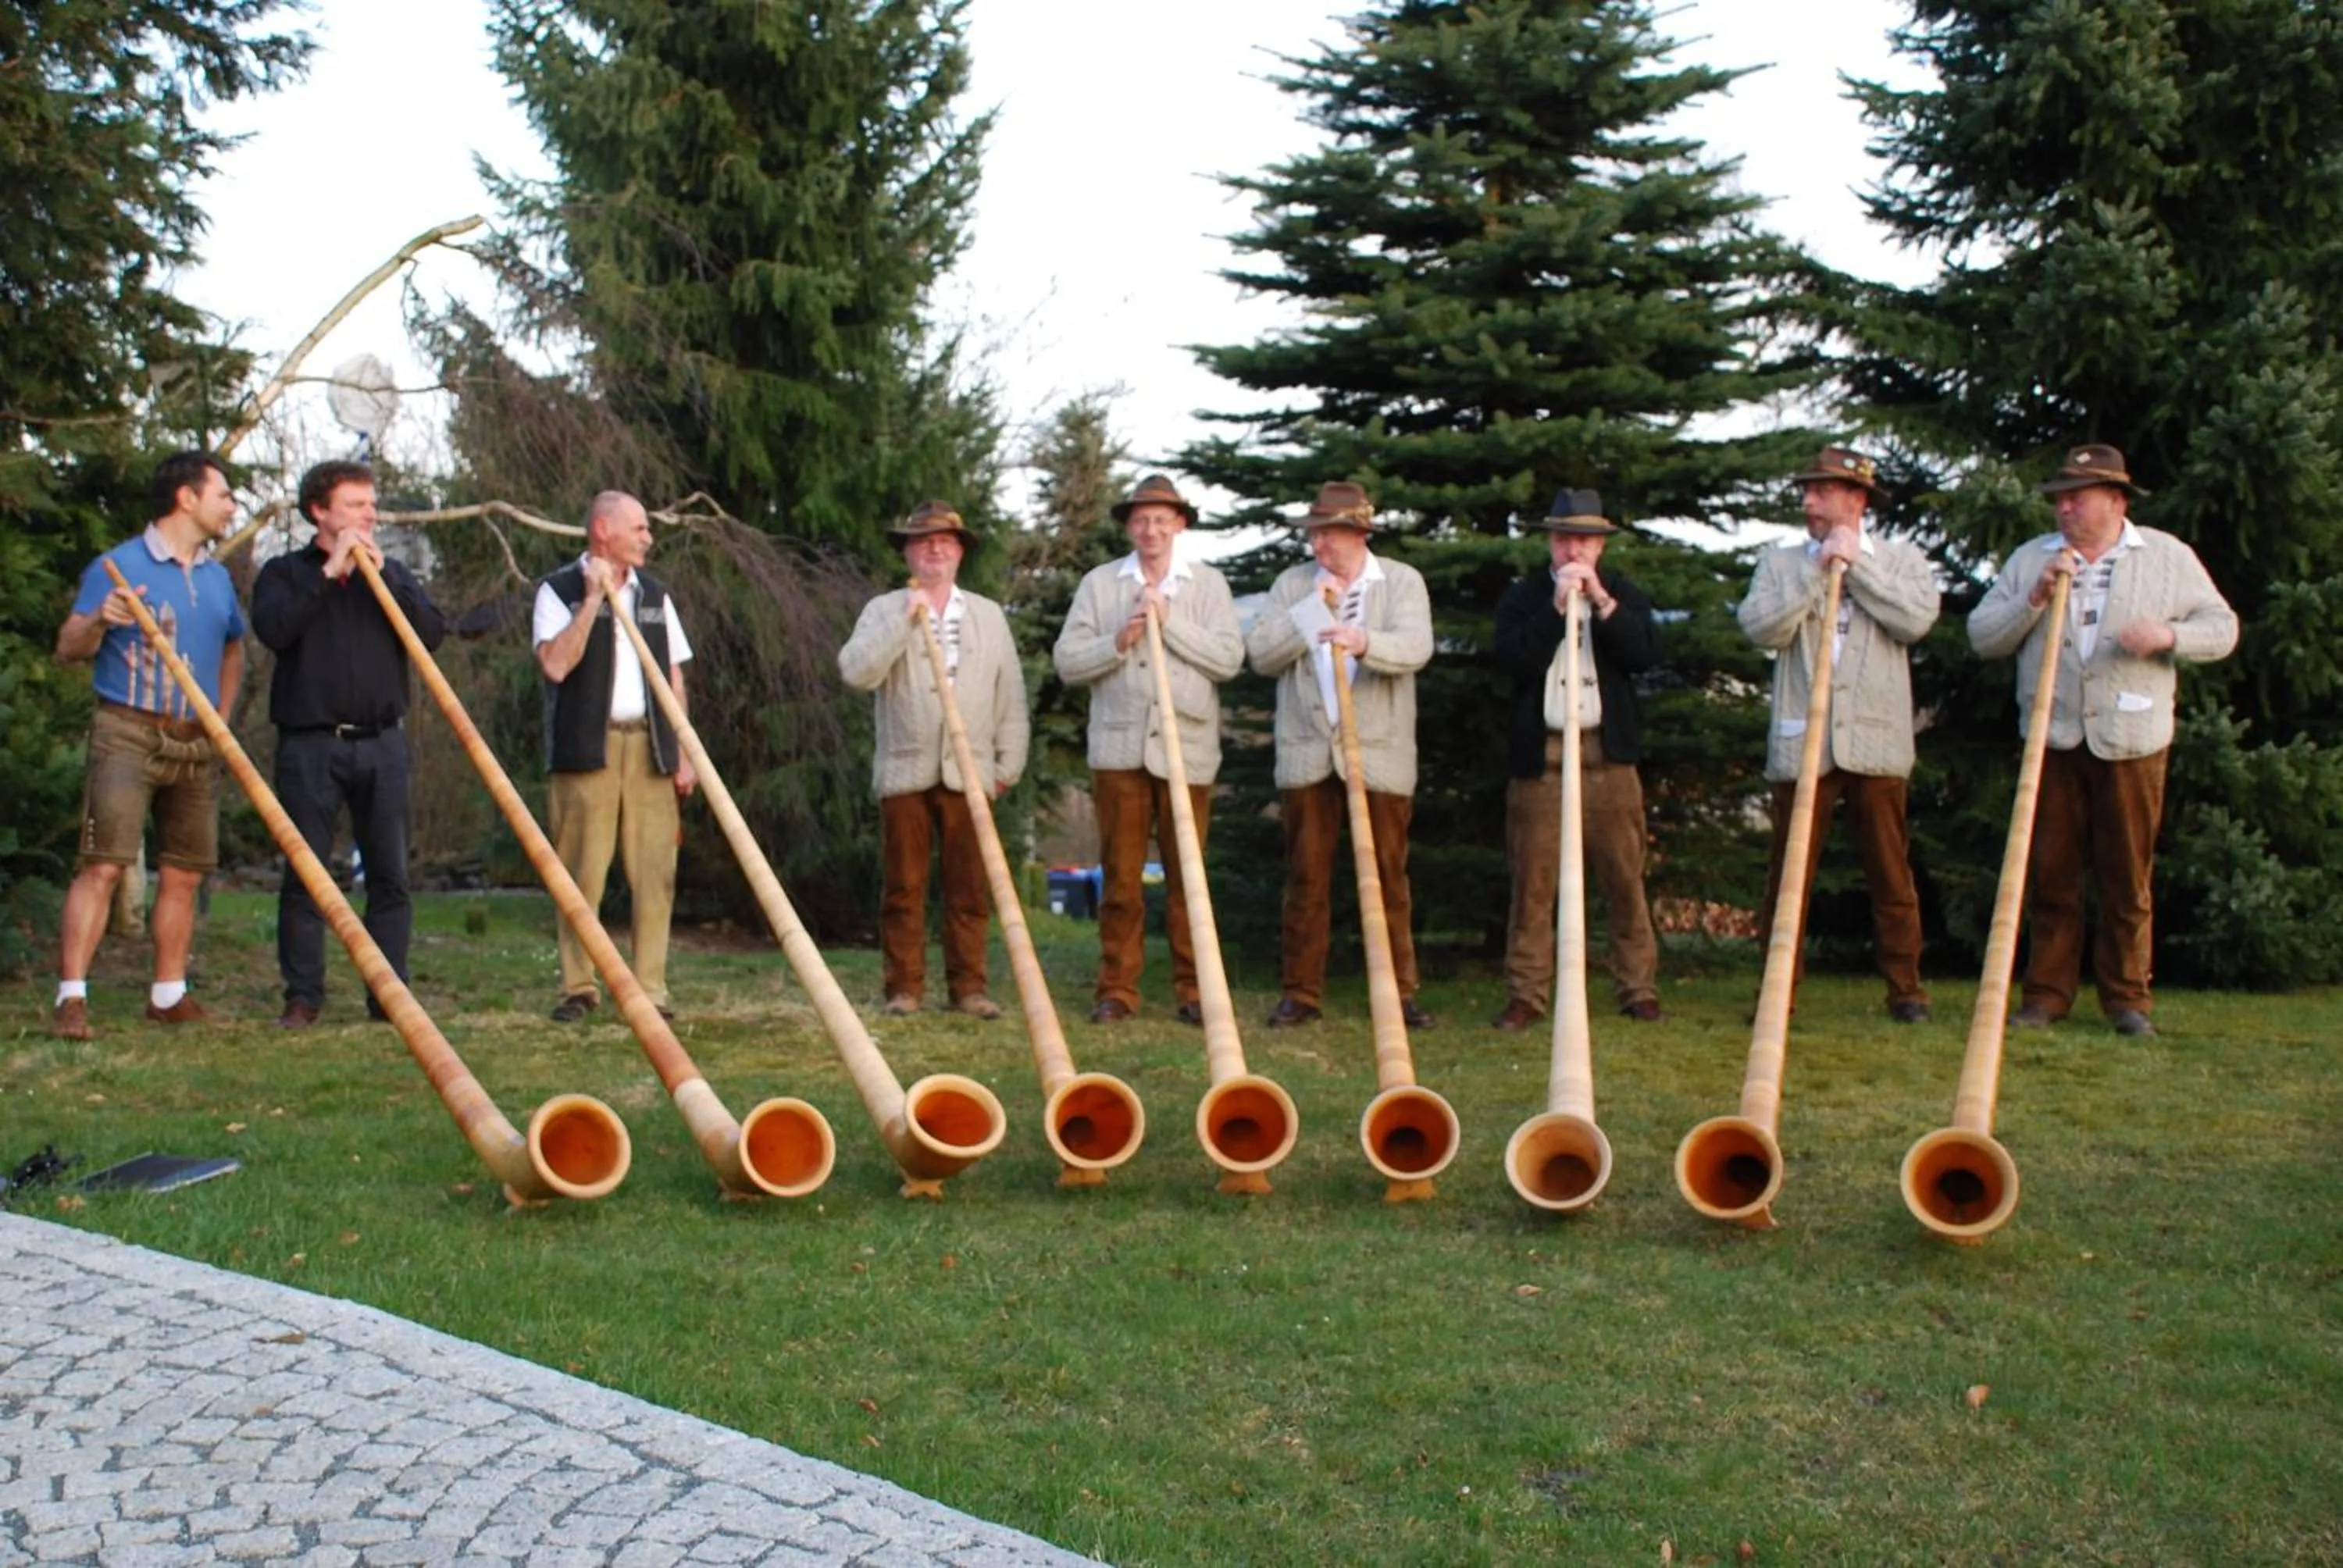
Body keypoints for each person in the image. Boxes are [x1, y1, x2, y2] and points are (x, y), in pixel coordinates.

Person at [1968, 444, 2237, 1038]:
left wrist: (2168, 634)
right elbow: (1983, 635)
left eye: (2077, 497)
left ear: (2116, 500)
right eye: (2059, 499)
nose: (2064, 508)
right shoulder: (2032, 560)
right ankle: (2045, 997)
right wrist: (2034, 598)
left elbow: (2222, 628)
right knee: (2051, 873)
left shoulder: (2166, 557)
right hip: (2052, 736)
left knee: (2126, 874)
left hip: (2133, 738)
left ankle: (2127, 1000)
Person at [1738, 446, 1942, 1023]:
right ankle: (1778, 990)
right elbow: (1759, 627)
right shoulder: (1782, 563)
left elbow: (1915, 620)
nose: (1808, 500)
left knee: (1889, 870)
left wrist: (1860, 567)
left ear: (1857, 499)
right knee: (1789, 873)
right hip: (1803, 742)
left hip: (1878, 741)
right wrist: (1815, 570)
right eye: (1806, 490)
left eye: (1821, 490)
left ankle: (1906, 989)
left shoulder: (1901, 560)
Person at [50, 451, 246, 1039]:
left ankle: (167, 994)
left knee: (184, 872)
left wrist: (223, 717)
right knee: (103, 864)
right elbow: (68, 648)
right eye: (223, 494)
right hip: (128, 732)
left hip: (195, 741)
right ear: (187, 498)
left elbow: (235, 646)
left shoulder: (216, 577)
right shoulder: (117, 566)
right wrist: (100, 619)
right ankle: (72, 999)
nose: (231, 505)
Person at [250, 461, 447, 1028]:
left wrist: (390, 582)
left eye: (371, 504)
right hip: (311, 746)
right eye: (357, 505)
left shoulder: (393, 572)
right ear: (320, 511)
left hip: (383, 744)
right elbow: (275, 631)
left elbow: (431, 635)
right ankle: (303, 995)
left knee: (390, 875)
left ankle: (388, 996)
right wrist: (329, 576)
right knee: (307, 874)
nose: (371, 515)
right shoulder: (284, 573)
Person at [1051, 474, 1245, 1024]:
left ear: (1180, 524)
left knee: (1189, 877)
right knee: (1120, 876)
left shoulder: (1207, 586)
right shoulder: (1100, 584)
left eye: (1162, 519)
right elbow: (1068, 661)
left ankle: (1195, 989)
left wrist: (1169, 619)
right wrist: (1120, 640)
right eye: (1141, 520)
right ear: (1129, 527)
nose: (1151, 529)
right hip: (1119, 754)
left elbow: (1229, 659)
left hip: (1189, 751)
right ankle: (1118, 988)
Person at [1243, 480, 1435, 1029]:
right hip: (1309, 753)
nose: (1319, 545)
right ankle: (1301, 993)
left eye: (1330, 535)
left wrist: (1365, 641)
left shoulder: (1399, 582)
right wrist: (1312, 611)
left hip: (1379, 755)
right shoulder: (1293, 585)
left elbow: (1417, 647)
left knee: (1388, 878)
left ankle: (1397, 993)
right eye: (1315, 535)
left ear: (1358, 534)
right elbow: (1261, 655)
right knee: (1306, 876)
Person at [838, 501, 1029, 1018]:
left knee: (969, 885)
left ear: (960, 552)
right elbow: (856, 672)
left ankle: (969, 989)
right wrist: (904, 621)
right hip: (905, 769)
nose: (935, 549)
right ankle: (905, 988)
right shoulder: (884, 609)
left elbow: (1009, 692)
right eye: (923, 542)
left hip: (971, 771)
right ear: (908, 552)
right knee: (905, 886)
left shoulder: (988, 614)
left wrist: (1007, 764)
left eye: (945, 541)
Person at [1490, 488, 1664, 1029]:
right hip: (1543, 756)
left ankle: (1637, 987)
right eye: (1565, 539)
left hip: (1607, 756)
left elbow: (1646, 654)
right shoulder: (1525, 596)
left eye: (1584, 540)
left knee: (1624, 877)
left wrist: (1603, 604)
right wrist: (1556, 609)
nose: (1574, 551)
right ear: (1551, 542)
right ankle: (1527, 993)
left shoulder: (1623, 593)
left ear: (1600, 547)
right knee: (1534, 883)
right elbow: (1513, 659)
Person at [533, 490, 697, 1023]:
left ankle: (650, 990)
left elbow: (673, 674)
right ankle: (578, 987)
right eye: (640, 528)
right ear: (603, 529)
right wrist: (592, 601)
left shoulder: (654, 594)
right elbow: (556, 666)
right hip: (587, 751)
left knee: (655, 871)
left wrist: (684, 749)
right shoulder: (556, 591)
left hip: (650, 747)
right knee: (582, 872)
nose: (648, 537)